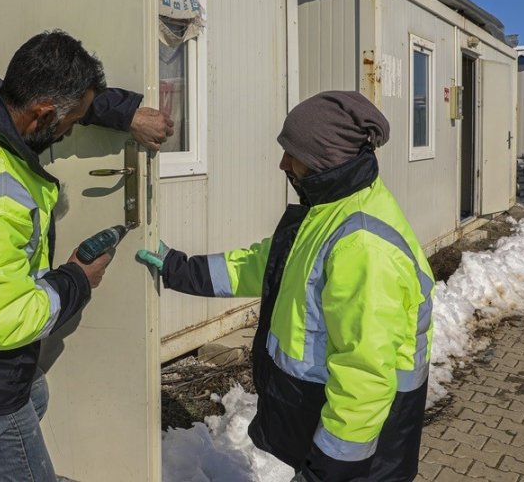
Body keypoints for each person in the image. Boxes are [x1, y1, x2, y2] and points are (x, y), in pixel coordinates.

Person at [0, 30, 172, 481]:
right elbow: (9, 321)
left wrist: (123, 114)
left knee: (36, 395)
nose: (68, 131)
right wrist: (78, 278)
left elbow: (56, 90)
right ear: (41, 114)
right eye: (68, 123)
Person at [138, 91, 434, 481]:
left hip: (357, 456)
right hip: (322, 426)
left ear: (322, 159)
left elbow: (365, 374)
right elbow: (263, 266)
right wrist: (178, 268)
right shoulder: (327, 213)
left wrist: (329, 468)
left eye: (292, 153)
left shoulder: (362, 244)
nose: (282, 163)